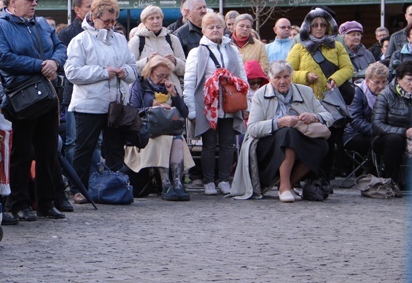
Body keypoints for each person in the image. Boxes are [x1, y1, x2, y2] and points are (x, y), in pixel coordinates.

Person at [0, 0, 68, 221]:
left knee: (48, 152)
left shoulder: (42, 24)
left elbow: (60, 47)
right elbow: (1, 57)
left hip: (48, 95)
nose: (34, 3)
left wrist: (54, 63)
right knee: (21, 152)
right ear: (12, 2)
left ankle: (46, 202)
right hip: (20, 98)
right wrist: (40, 66)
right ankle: (18, 203)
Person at [229, 60, 333, 201]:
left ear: (291, 77)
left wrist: (314, 116)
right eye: (277, 78)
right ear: (270, 79)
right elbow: (252, 128)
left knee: (322, 145)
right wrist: (278, 123)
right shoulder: (260, 95)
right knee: (287, 133)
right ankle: (284, 187)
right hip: (266, 145)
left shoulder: (305, 91)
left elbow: (328, 116)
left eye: (286, 77)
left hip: (299, 138)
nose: (282, 81)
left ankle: (286, 185)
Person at [64, 0, 138, 194]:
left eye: (114, 21)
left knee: (115, 148)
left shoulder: (121, 39)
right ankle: (78, 189)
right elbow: (72, 72)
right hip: (89, 103)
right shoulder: (80, 40)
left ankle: (115, 187)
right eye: (107, 21)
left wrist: (125, 72)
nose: (111, 25)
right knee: (84, 148)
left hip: (117, 104)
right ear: (94, 17)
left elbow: (133, 68)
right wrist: (103, 72)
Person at [184, 12, 247, 196]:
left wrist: (246, 101)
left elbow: (241, 76)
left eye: (218, 26)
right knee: (209, 144)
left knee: (228, 144)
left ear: (224, 28)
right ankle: (209, 181)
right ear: (203, 30)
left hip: (230, 104)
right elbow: (190, 82)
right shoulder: (197, 52)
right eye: (210, 27)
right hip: (207, 106)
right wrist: (191, 110)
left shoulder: (233, 50)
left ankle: (224, 180)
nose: (215, 30)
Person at [287, 7, 354, 180]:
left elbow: (348, 68)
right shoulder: (299, 47)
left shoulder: (337, 46)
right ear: (308, 27)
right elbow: (288, 73)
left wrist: (335, 78)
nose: (318, 28)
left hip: (329, 101)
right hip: (305, 101)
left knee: (329, 139)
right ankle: (303, 177)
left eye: (322, 25)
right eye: (315, 25)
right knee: (307, 138)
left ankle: (324, 177)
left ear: (328, 27)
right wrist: (305, 76)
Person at [125, 55, 194, 201]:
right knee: (164, 141)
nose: (164, 79)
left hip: (168, 129)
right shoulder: (139, 85)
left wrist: (174, 95)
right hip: (146, 131)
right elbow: (133, 110)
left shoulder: (169, 87)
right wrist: (154, 107)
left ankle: (177, 183)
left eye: (167, 75)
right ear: (150, 72)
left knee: (177, 139)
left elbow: (184, 113)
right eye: (160, 75)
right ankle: (166, 184)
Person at [57, 0, 96, 204]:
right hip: (73, 96)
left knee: (95, 144)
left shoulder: (102, 32)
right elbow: (65, 67)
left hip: (97, 97)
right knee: (73, 142)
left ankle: (95, 184)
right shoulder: (68, 34)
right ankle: (76, 186)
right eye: (89, 6)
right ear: (77, 10)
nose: (92, 11)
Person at [372, 60, 412, 190]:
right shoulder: (386, 95)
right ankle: (392, 181)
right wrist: (403, 132)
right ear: (399, 79)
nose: (411, 84)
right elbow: (377, 125)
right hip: (388, 137)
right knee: (395, 139)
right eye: (409, 80)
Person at [128, 5, 186, 92]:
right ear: (144, 22)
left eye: (158, 18)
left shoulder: (173, 39)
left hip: (171, 91)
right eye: (151, 18)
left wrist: (175, 61)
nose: (156, 21)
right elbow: (128, 69)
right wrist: (147, 61)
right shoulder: (136, 41)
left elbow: (185, 69)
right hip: (146, 92)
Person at [343, 62, 389, 157]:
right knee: (387, 142)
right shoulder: (357, 93)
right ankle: (372, 170)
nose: (381, 86)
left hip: (381, 132)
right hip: (354, 134)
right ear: (367, 81)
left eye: (384, 82)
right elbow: (355, 121)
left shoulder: (388, 94)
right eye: (377, 82)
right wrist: (380, 131)